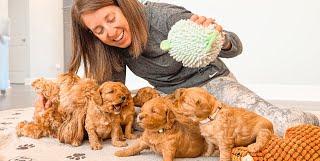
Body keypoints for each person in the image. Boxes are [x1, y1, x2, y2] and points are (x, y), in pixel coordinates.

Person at [38, 0, 318, 136]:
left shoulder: (161, 17)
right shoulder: (109, 47)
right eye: (98, 29)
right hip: (172, 100)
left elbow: (236, 45)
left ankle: (308, 118)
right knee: (131, 121)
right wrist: (58, 101)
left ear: (123, 7)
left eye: (111, 18)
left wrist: (217, 37)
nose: (110, 32)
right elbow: (108, 95)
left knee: (279, 127)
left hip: (212, 85)